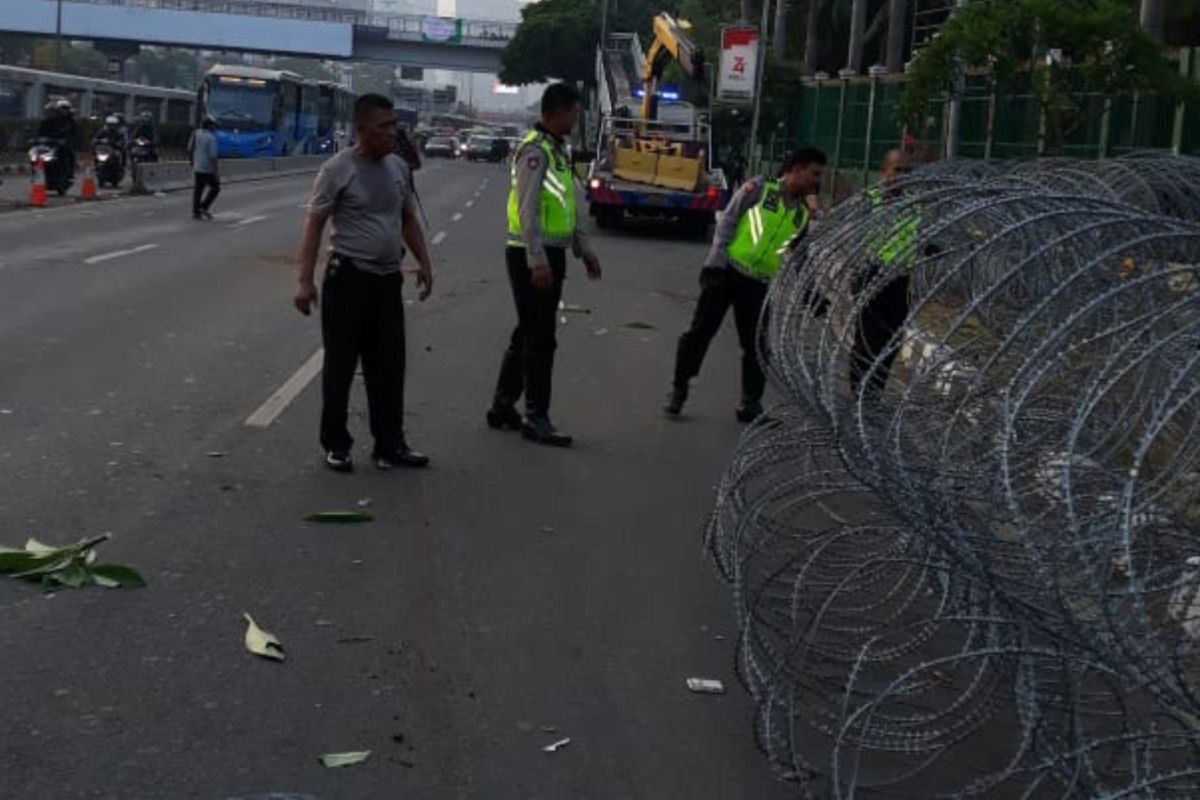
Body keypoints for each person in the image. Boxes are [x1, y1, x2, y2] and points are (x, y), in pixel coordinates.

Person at [294, 93, 435, 473]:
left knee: (389, 367)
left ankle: (390, 444)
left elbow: (406, 219)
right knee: (340, 367)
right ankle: (336, 444)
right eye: (384, 126)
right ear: (362, 130)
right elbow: (315, 225)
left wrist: (424, 261)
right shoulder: (337, 169)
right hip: (348, 279)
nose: (392, 133)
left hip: (387, 282)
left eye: (394, 126)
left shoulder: (398, 169)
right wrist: (305, 281)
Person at [664, 147, 827, 423]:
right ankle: (678, 390)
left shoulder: (800, 215)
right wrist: (713, 263)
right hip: (726, 273)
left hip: (758, 285)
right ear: (796, 169)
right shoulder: (759, 189)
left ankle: (750, 404)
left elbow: (800, 258)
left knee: (757, 347)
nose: (818, 181)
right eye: (815, 174)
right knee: (699, 335)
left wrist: (812, 295)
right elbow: (728, 221)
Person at [486, 83, 602, 448]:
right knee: (541, 337)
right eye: (573, 114)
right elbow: (527, 208)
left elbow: (568, 206)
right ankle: (536, 417)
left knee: (528, 331)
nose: (575, 120)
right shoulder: (535, 152)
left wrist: (584, 250)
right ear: (554, 112)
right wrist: (537, 261)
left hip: (549, 251)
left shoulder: (558, 151)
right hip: (529, 253)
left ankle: (503, 406)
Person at [849, 149, 918, 396]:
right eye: (897, 170)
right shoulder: (869, 201)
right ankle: (859, 392)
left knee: (892, 341)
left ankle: (875, 391)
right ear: (884, 171)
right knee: (868, 339)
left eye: (907, 171)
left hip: (899, 281)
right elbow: (849, 240)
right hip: (871, 276)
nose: (902, 175)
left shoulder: (914, 203)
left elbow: (916, 238)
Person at [189, 117, 220, 221]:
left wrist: (192, 162)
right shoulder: (211, 138)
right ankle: (203, 207)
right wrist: (216, 173)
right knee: (216, 188)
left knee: (198, 190)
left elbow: (189, 148)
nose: (215, 128)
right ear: (210, 126)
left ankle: (196, 212)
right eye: (214, 126)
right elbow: (213, 157)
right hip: (207, 168)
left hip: (197, 167)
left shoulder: (196, 134)